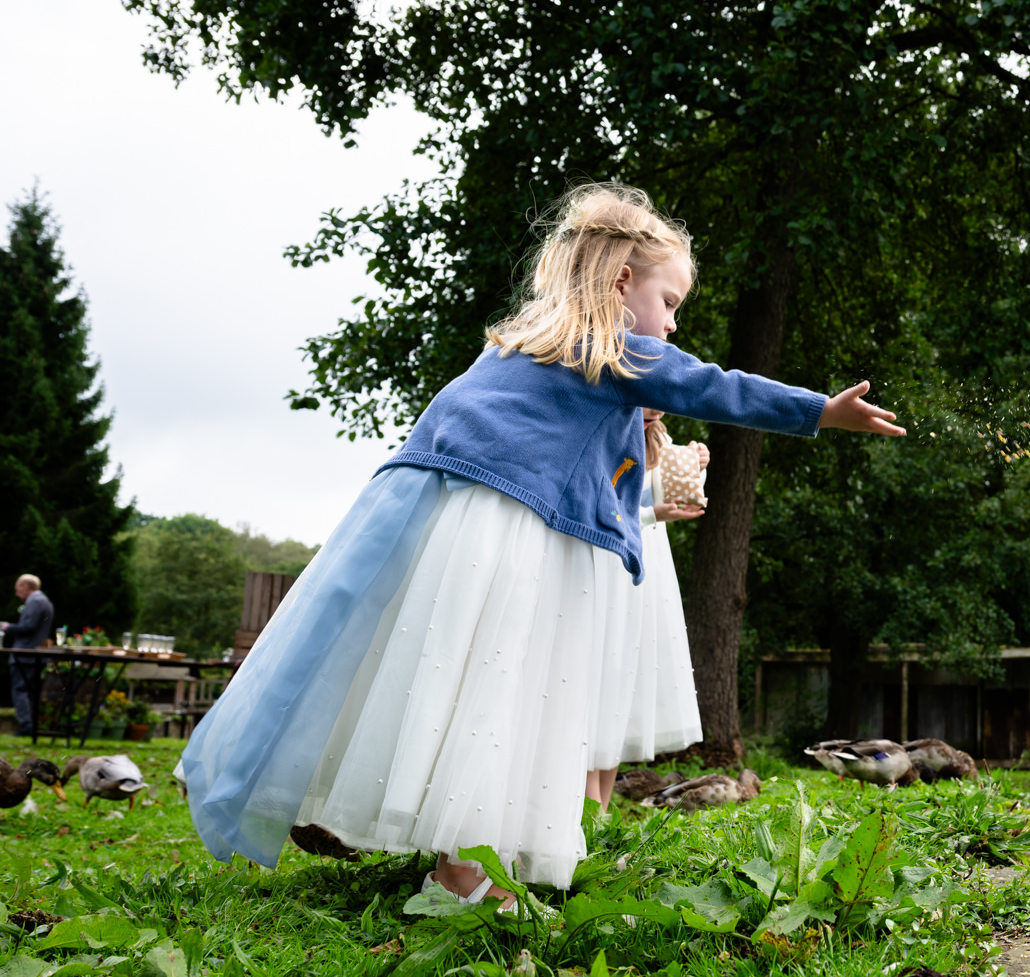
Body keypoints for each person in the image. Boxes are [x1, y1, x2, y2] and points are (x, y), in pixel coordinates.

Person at [177, 184, 903, 905]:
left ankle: (457, 855)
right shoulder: (614, 348)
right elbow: (711, 386)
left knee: (463, 697)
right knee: (511, 700)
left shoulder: (517, 346)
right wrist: (817, 410)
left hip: (456, 529)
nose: (674, 326)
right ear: (622, 281)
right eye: (671, 301)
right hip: (523, 538)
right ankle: (463, 873)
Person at [583, 411, 706, 808]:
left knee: (622, 678)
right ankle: (584, 808)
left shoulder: (660, 441)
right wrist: (657, 515)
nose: (655, 412)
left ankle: (597, 814)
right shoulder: (604, 431)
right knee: (598, 675)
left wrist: (697, 466)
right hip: (609, 557)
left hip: (650, 565)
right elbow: (600, 510)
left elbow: (680, 496)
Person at [4, 575, 53, 737]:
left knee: (20, 690)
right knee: (29, 691)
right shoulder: (43, 601)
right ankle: (30, 725)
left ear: (25, 586)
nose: (16, 592)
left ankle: (26, 726)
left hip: (25, 654)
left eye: (18, 588)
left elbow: (28, 627)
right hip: (33, 655)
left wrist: (7, 627)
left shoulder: (36, 602)